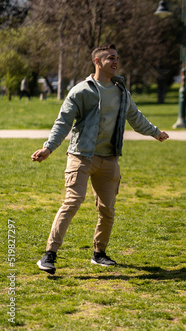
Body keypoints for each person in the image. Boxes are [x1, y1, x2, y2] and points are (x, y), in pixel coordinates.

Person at [31, 44, 170, 274]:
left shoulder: (121, 91)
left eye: (117, 58)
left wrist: (155, 132)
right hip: (81, 157)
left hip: (109, 159)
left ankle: (99, 254)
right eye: (110, 58)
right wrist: (49, 148)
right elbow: (63, 122)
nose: (115, 62)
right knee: (72, 202)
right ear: (97, 61)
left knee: (107, 209)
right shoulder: (81, 91)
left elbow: (135, 117)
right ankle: (49, 255)